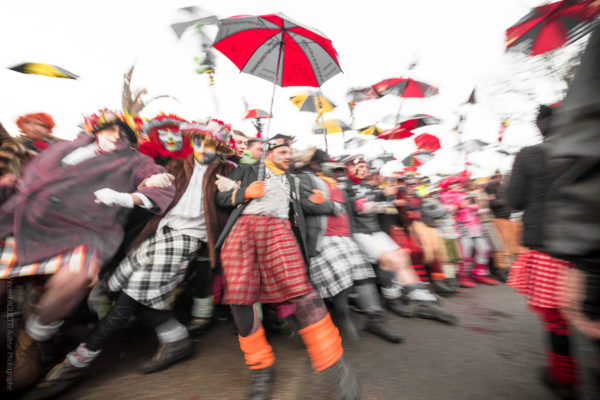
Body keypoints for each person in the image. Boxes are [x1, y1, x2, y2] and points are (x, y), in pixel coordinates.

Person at [0, 109, 175, 392]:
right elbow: (30, 177)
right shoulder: (64, 148)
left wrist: (142, 190)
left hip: (86, 231)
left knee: (79, 273)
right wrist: (12, 184)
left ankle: (32, 340)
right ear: (96, 131)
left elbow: (157, 180)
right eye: (108, 130)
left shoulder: (135, 161)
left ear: (131, 140)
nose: (114, 137)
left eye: (122, 134)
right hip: (28, 221)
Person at [216, 136, 360, 400]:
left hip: (279, 231)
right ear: (267, 153)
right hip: (242, 232)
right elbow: (221, 197)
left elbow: (312, 204)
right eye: (282, 151)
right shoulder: (246, 170)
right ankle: (261, 367)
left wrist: (323, 202)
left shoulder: (294, 180)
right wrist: (245, 193)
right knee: (240, 298)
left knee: (303, 295)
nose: (288, 156)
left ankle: (334, 366)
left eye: (290, 152)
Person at [507, 104, 581, 400]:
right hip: (590, 244)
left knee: (558, 319)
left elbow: (514, 200)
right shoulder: (589, 150)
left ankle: (564, 380)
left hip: (551, 245)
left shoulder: (529, 155)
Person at [295, 148, 402, 344]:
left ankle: (374, 319)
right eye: (326, 162)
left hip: (346, 235)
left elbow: (349, 209)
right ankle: (340, 317)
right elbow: (306, 204)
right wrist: (331, 206)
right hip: (324, 236)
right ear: (316, 164)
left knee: (364, 277)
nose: (332, 166)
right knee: (339, 278)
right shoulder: (304, 178)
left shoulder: (337, 182)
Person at [344, 156, 458, 324]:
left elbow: (378, 202)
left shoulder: (367, 186)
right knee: (390, 259)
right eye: (360, 166)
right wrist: (386, 200)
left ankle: (418, 295)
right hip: (359, 233)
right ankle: (393, 299)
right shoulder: (344, 186)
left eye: (365, 166)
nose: (365, 169)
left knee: (403, 256)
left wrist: (385, 196)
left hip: (376, 231)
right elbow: (361, 206)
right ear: (349, 168)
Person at [439, 176, 499, 288]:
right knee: (466, 250)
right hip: (461, 225)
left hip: (475, 224)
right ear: (447, 186)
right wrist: (458, 206)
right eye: (453, 184)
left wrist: (477, 208)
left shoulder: (464, 194)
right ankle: (463, 276)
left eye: (457, 183)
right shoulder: (445, 195)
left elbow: (475, 208)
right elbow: (445, 211)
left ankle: (479, 274)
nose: (456, 185)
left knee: (484, 248)